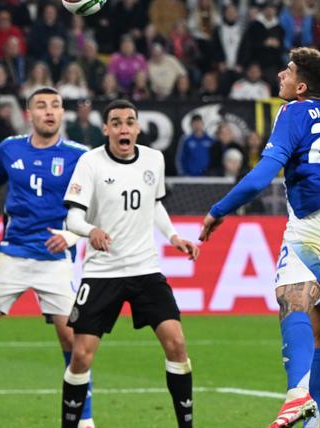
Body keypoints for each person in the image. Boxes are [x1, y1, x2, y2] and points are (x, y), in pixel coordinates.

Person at [200, 47, 320, 427]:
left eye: (286, 72)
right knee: (317, 336)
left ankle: (295, 397)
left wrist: (218, 210)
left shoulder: (293, 112)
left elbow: (261, 175)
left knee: (292, 303)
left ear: (301, 87)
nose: (280, 77)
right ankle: (311, 422)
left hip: (312, 225)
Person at [0, 88, 95, 428]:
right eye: (42, 106)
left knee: (72, 338)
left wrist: (72, 235)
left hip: (56, 258)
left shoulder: (81, 156)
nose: (50, 111)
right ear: (30, 114)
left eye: (56, 105)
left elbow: (98, 204)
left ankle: (84, 420)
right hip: (12, 253)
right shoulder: (8, 149)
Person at [60, 99, 199, 428]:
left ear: (137, 128)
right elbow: (72, 217)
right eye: (117, 122)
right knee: (81, 356)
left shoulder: (154, 159)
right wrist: (90, 230)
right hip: (101, 272)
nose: (124, 128)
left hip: (145, 270)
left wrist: (174, 236)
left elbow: (154, 205)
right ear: (106, 129)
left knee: (177, 343)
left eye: (130, 122)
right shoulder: (90, 163)